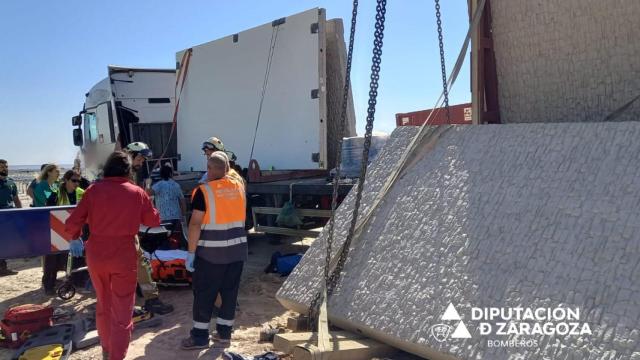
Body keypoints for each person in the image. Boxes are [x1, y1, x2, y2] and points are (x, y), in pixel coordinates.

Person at [65, 151, 161, 360]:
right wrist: (148, 198)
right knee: (123, 309)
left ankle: (107, 349)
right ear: (128, 170)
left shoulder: (92, 190)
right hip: (123, 255)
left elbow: (72, 222)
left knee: (103, 304)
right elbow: (153, 221)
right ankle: (115, 356)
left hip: (97, 254)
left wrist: (75, 237)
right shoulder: (136, 192)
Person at [181, 151, 247, 350]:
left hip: (210, 254)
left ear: (209, 169)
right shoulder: (239, 187)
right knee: (229, 293)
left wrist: (191, 253)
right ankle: (224, 334)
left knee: (204, 294)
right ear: (228, 169)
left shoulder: (204, 191)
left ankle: (200, 336)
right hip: (236, 252)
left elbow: (195, 225)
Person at [124, 142, 174, 315]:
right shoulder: (123, 178)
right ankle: (143, 301)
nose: (141, 163)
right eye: (140, 158)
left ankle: (149, 299)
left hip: (127, 231)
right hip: (121, 233)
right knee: (132, 266)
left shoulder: (129, 176)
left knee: (141, 264)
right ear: (130, 155)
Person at [34, 164, 64, 294]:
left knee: (58, 254)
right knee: (50, 255)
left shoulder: (56, 185)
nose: (58, 173)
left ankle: (54, 279)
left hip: (57, 221)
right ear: (49, 172)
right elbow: (46, 202)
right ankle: (47, 283)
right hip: (45, 222)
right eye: (56, 171)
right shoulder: (42, 186)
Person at [148, 163, 186, 243]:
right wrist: (183, 216)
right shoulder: (176, 185)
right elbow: (182, 201)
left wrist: (148, 184)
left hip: (163, 218)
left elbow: (147, 193)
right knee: (175, 240)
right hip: (176, 217)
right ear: (171, 174)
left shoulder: (158, 185)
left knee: (164, 240)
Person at [0, 159, 22, 276]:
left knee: (5, 242)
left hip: (9, 216)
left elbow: (16, 199)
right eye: (2, 166)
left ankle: (3, 267)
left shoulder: (11, 182)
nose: (5, 168)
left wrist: (21, 213)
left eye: (6, 166)